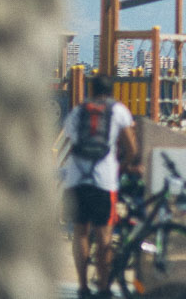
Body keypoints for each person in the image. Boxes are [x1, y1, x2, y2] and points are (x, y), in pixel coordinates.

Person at [61, 76, 137, 299]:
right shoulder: (119, 110)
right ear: (111, 91)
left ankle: (83, 287)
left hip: (76, 178)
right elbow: (131, 146)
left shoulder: (78, 111)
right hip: (104, 180)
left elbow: (69, 138)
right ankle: (104, 288)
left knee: (80, 233)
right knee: (104, 235)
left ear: (92, 91)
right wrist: (124, 165)